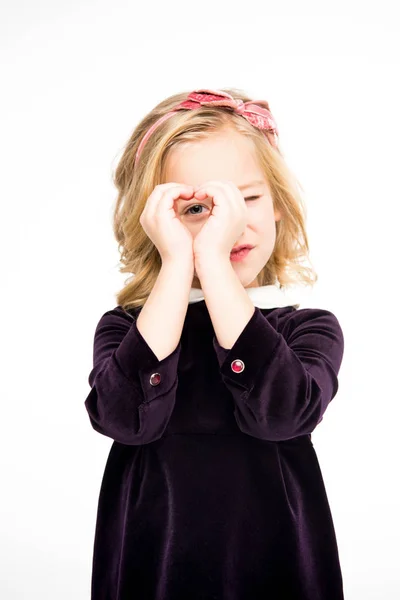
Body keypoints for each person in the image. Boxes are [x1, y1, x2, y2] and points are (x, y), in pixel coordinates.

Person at [84, 88, 345, 599]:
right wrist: (182, 264)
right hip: (153, 565)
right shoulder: (127, 330)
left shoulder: (308, 329)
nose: (230, 224)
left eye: (247, 199)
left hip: (277, 564)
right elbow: (123, 419)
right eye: (199, 207)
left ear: (277, 206)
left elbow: (283, 414)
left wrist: (218, 272)